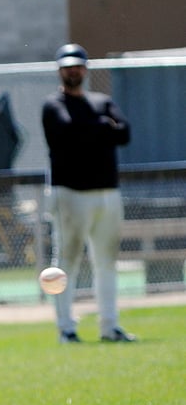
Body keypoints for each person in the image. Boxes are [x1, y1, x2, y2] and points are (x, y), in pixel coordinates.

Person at [41, 43, 136, 344]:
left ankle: (110, 326)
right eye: (68, 67)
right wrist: (101, 128)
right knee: (66, 264)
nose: (74, 71)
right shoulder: (53, 104)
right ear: (60, 70)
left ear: (85, 68)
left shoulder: (101, 100)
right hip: (71, 194)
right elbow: (66, 133)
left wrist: (93, 128)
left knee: (107, 262)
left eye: (78, 66)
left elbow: (124, 133)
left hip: (107, 192)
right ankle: (66, 328)